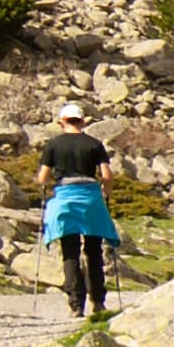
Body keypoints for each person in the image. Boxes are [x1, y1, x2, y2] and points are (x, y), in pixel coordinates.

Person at [38, 103, 119, 321]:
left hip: (65, 199)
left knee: (70, 251)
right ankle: (98, 301)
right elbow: (107, 175)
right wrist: (106, 193)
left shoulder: (53, 145)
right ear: (82, 121)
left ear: (62, 121)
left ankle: (75, 304)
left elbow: (43, 178)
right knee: (94, 251)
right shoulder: (94, 144)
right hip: (91, 199)